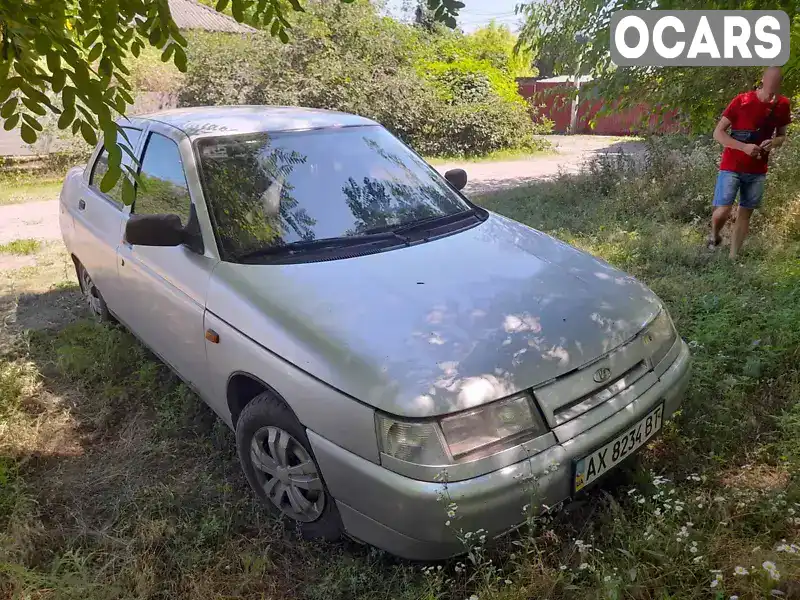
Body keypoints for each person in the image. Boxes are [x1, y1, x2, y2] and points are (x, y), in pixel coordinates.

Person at [708, 66, 791, 259]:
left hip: (757, 169)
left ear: (780, 83)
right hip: (732, 165)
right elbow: (717, 133)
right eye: (769, 79)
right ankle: (714, 235)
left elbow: (782, 136)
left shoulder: (783, 105)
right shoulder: (741, 101)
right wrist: (743, 147)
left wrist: (774, 142)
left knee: (745, 213)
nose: (772, 83)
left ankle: (733, 257)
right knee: (723, 210)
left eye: (776, 80)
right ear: (762, 79)